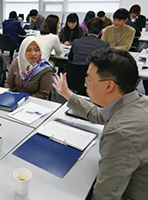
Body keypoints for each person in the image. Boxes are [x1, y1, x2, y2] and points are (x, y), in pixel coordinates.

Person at [53, 47, 148, 200]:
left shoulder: (120, 133)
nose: (85, 84)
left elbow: (105, 196)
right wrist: (67, 94)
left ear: (109, 86)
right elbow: (99, 115)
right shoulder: (137, 101)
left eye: (88, 79)